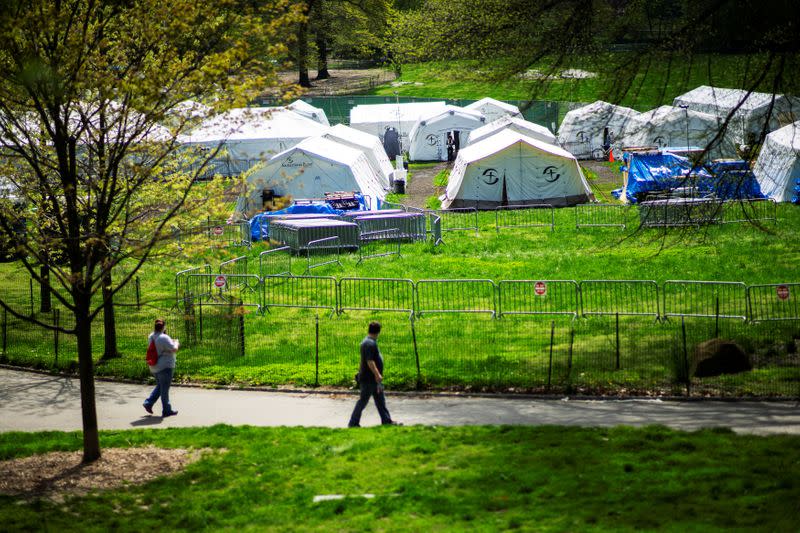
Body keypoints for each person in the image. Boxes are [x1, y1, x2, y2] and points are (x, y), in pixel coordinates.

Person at [348, 322, 400, 428]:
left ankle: (386, 420)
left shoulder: (368, 342)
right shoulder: (369, 344)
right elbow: (370, 361)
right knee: (363, 401)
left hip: (372, 379)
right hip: (369, 379)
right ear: (378, 332)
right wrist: (377, 375)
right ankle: (353, 423)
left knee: (380, 400)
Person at [143, 318, 179, 417]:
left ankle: (148, 403)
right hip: (165, 366)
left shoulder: (151, 336)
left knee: (160, 386)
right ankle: (166, 410)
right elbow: (174, 349)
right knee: (164, 389)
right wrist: (176, 342)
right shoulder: (164, 337)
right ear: (163, 327)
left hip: (154, 366)